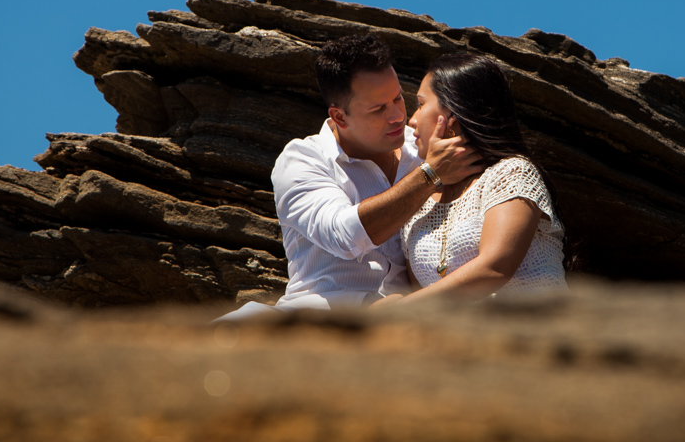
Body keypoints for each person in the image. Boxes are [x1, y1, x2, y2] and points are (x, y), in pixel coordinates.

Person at [214, 33, 481, 321]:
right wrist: (429, 175)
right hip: (313, 321)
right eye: (378, 108)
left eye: (398, 98)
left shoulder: (424, 146)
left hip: (408, 323)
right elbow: (345, 237)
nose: (397, 116)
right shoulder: (302, 159)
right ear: (339, 117)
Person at [375, 53, 566, 307]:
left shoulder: (512, 173)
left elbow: (494, 268)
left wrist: (401, 307)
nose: (412, 120)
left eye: (420, 104)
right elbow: (428, 299)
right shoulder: (418, 209)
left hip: (537, 337)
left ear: (452, 115)